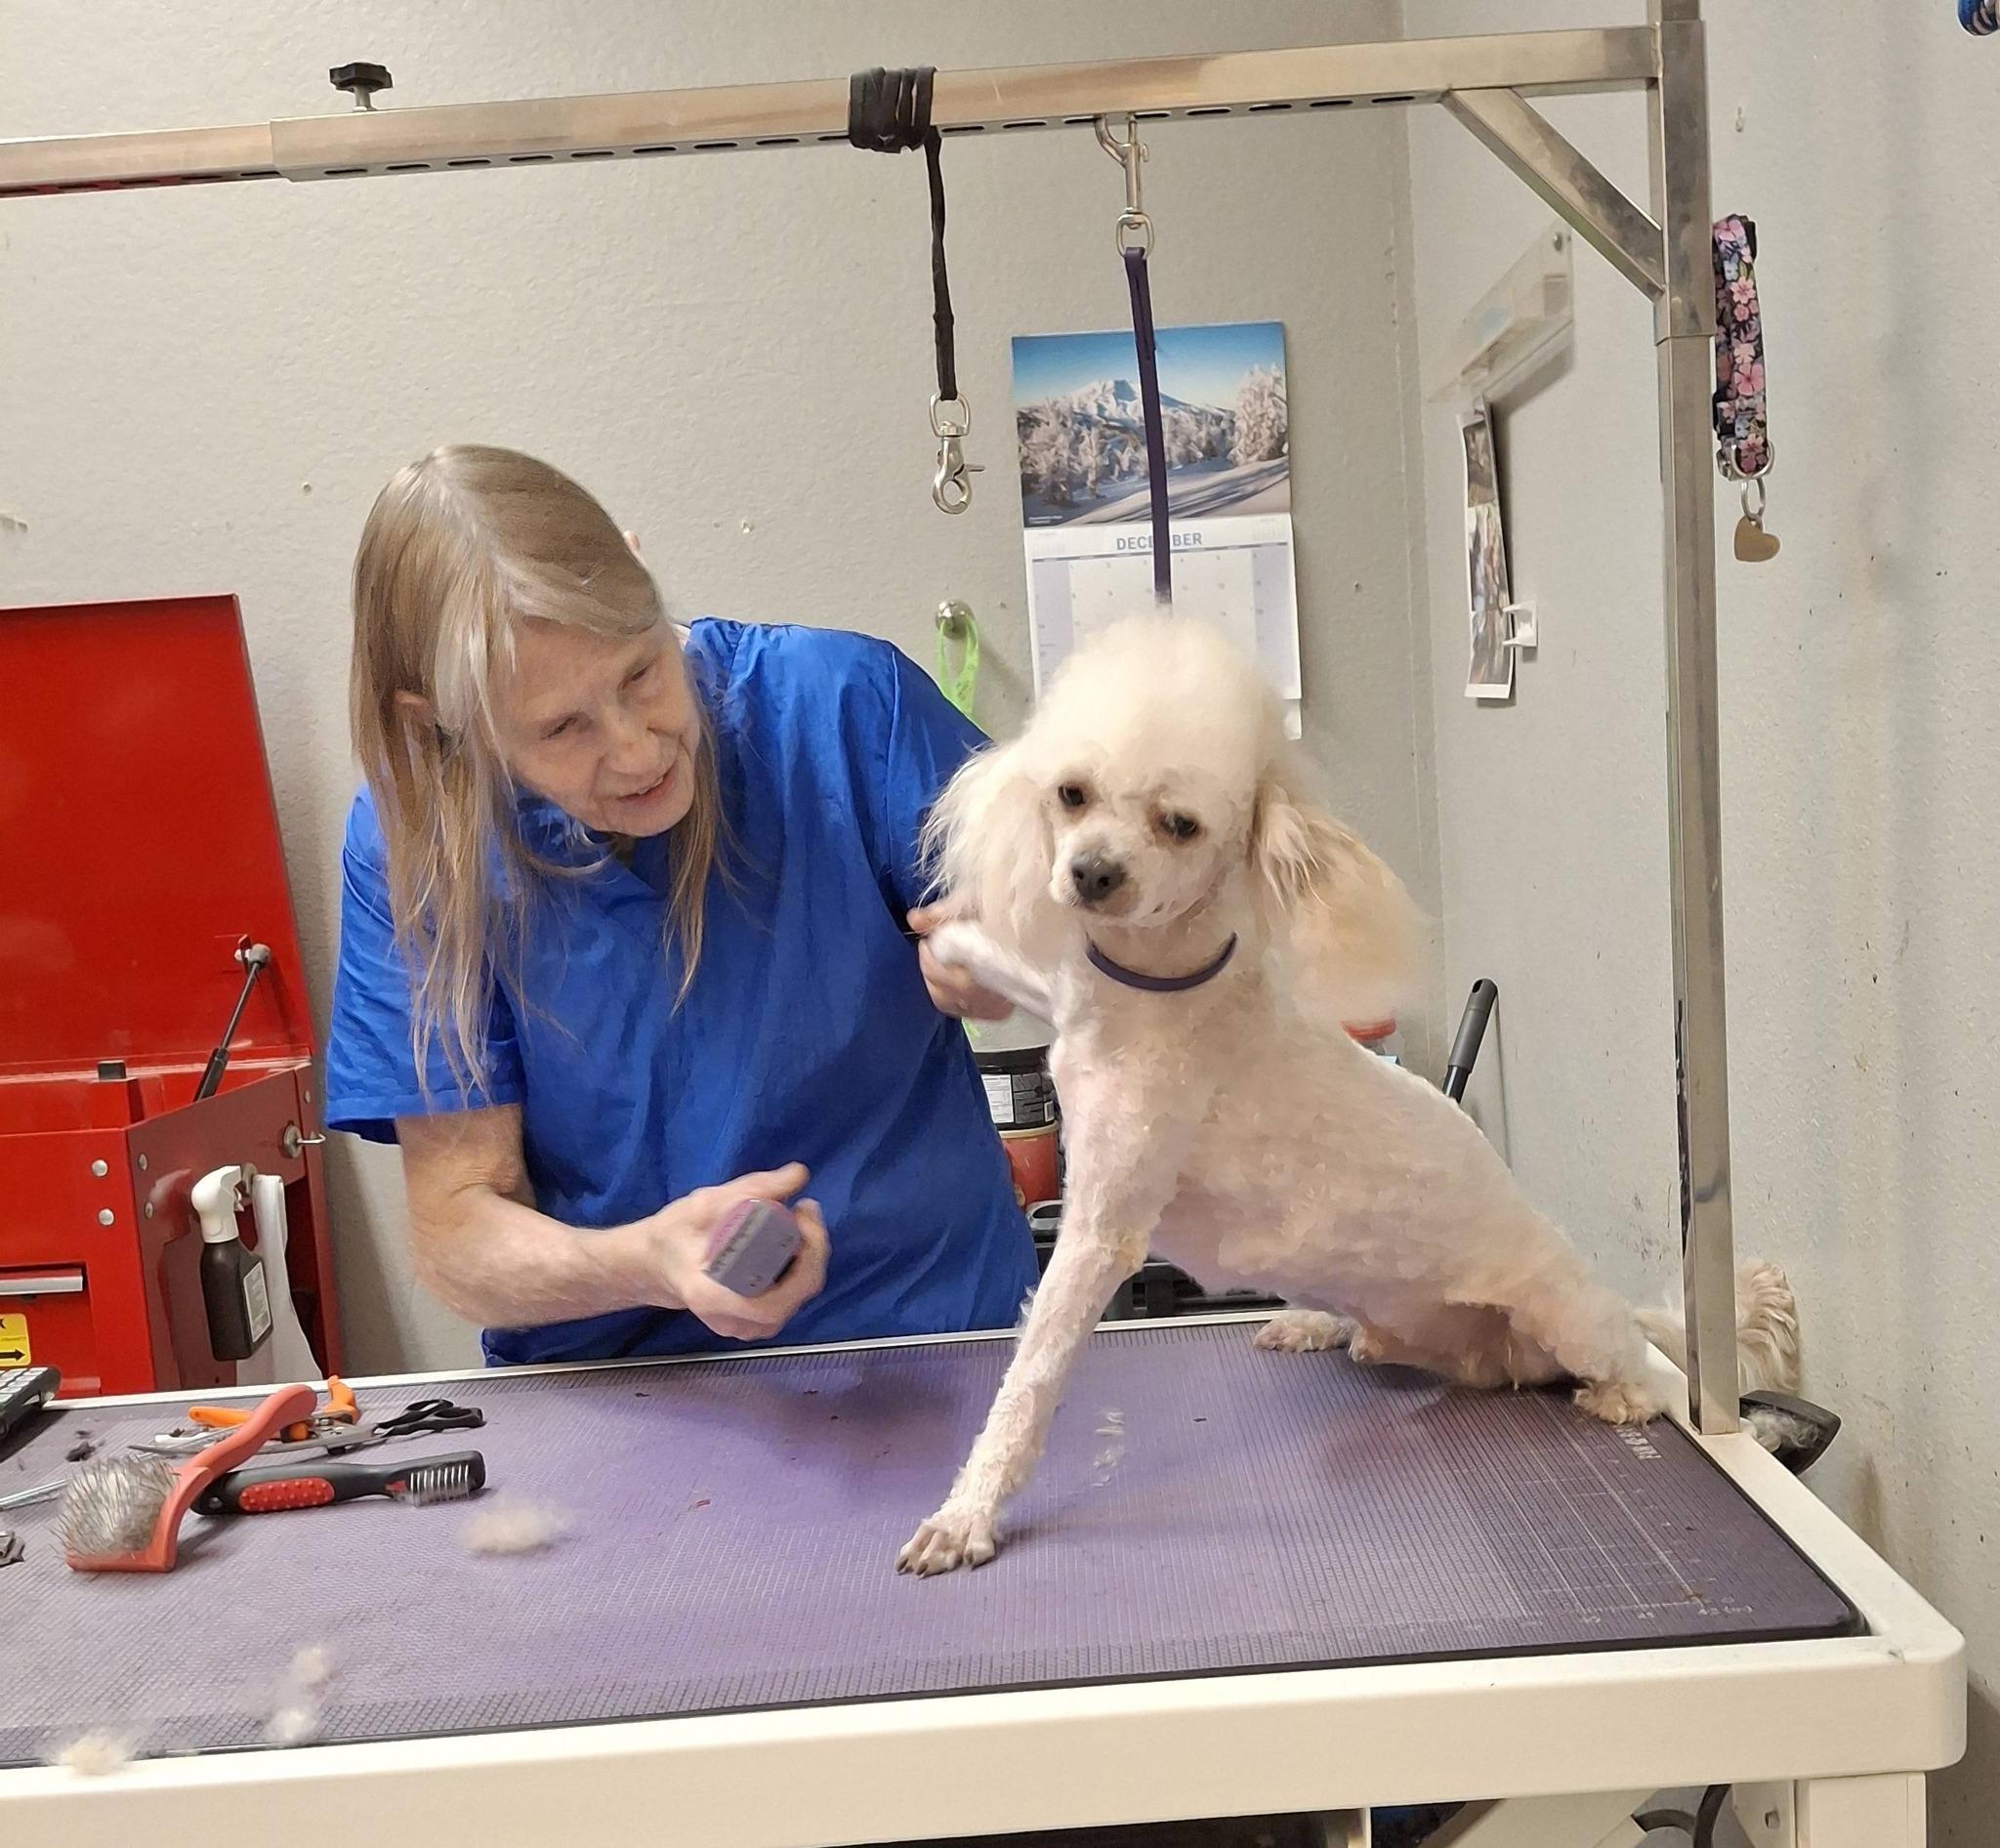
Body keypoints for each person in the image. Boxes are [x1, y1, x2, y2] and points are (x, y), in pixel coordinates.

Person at [324, 443, 1035, 1365]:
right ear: (440, 723)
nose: (636, 750)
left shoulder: (845, 707)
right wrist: (646, 1264)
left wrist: (1012, 954)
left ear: (640, 572)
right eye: (562, 727)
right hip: (624, 1389)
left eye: (640, 674)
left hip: (936, 1341)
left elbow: (1083, 931)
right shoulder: (416, 848)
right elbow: (458, 1236)